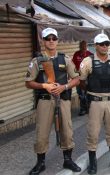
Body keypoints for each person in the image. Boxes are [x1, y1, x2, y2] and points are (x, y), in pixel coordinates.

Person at [25, 28, 81, 174]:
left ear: (57, 40)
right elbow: (28, 82)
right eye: (48, 38)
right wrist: (44, 85)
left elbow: (76, 79)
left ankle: (68, 160)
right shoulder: (37, 60)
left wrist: (64, 87)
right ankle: (40, 163)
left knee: (67, 131)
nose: (51, 41)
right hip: (45, 100)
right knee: (41, 133)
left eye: (53, 38)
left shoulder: (65, 59)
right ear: (43, 41)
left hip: (63, 100)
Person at [79, 33, 110, 174]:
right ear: (96, 46)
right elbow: (82, 82)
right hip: (95, 102)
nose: (105, 46)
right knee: (93, 133)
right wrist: (91, 92)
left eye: (107, 44)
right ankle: (93, 163)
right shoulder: (88, 61)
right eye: (101, 44)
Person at [72, 40, 93, 116]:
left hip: (88, 78)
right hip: (78, 77)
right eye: (82, 46)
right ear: (80, 46)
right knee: (80, 94)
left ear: (86, 46)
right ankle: (83, 109)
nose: (83, 47)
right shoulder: (76, 54)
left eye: (85, 46)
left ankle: (89, 108)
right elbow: (72, 64)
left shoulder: (90, 55)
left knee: (88, 93)